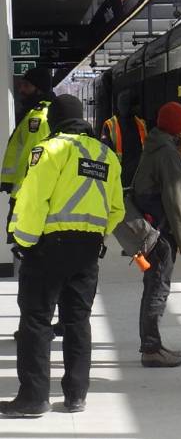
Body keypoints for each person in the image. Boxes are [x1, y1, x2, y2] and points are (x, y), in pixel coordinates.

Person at [0, 95, 125, 418]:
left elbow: (33, 199)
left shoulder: (50, 150)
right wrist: (95, 234)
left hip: (48, 248)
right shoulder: (106, 155)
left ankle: (34, 398)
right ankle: (75, 396)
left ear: (55, 121)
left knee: (36, 320)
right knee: (77, 320)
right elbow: (116, 209)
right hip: (88, 250)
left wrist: (25, 241)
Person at [132, 101, 181, 368]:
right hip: (160, 232)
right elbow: (175, 200)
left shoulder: (153, 145)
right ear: (179, 126)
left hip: (150, 228)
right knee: (158, 286)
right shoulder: (167, 153)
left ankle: (152, 344)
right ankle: (151, 348)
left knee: (153, 284)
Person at [1, 67, 55, 239]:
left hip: (27, 191)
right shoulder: (33, 112)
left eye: (26, 85)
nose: (21, 90)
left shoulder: (38, 117)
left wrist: (25, 191)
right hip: (24, 188)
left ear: (38, 89)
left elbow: (35, 157)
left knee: (23, 237)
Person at [100, 90, 147, 188]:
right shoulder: (110, 125)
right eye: (135, 105)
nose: (137, 108)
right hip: (120, 177)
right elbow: (105, 154)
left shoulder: (141, 123)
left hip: (139, 177)